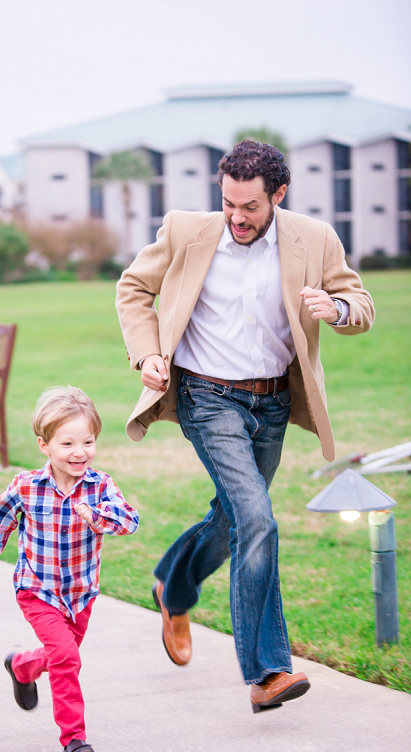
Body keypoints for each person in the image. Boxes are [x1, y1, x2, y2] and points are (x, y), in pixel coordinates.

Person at [115, 140, 374, 714]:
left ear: (277, 195)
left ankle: (173, 587)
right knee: (257, 518)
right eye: (229, 202)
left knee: (235, 516)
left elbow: (359, 301)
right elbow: (133, 288)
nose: (236, 217)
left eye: (250, 206)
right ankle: (266, 672)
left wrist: (337, 310)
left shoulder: (315, 238)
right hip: (208, 398)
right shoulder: (187, 230)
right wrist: (148, 354)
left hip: (273, 403)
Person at [0, 386, 139, 752]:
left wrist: (96, 517)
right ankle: (74, 740)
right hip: (37, 589)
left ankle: (22, 666)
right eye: (67, 443)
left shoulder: (100, 487)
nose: (79, 452)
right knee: (66, 658)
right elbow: (0, 518)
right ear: (45, 445)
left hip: (81, 593)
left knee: (62, 656)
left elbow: (129, 521)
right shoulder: (26, 486)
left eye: (88, 441)